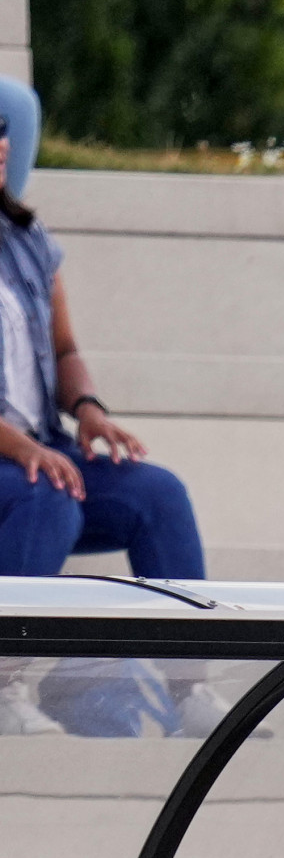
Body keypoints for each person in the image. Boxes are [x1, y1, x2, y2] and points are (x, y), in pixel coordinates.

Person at [0, 185, 205, 583]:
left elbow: (64, 349)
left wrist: (88, 409)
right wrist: (22, 448)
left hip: (37, 448)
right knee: (46, 497)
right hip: (24, 462)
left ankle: (183, 646)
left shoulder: (27, 236)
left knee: (159, 495)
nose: (3, 143)